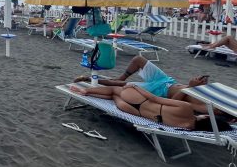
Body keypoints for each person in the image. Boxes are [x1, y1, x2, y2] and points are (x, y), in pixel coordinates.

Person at [74, 55, 211, 113]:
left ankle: (89, 79)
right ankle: (119, 78)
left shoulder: (205, 107)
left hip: (158, 92)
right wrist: (199, 84)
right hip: (166, 80)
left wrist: (189, 87)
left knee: (122, 87)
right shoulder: (209, 94)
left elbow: (172, 103)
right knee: (138, 59)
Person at [68, 83, 232, 131]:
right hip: (132, 110)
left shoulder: (186, 109)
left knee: (116, 90)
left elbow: (154, 98)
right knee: (113, 96)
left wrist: (136, 88)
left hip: (142, 101)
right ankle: (87, 93)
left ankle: (86, 90)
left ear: (208, 117)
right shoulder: (186, 127)